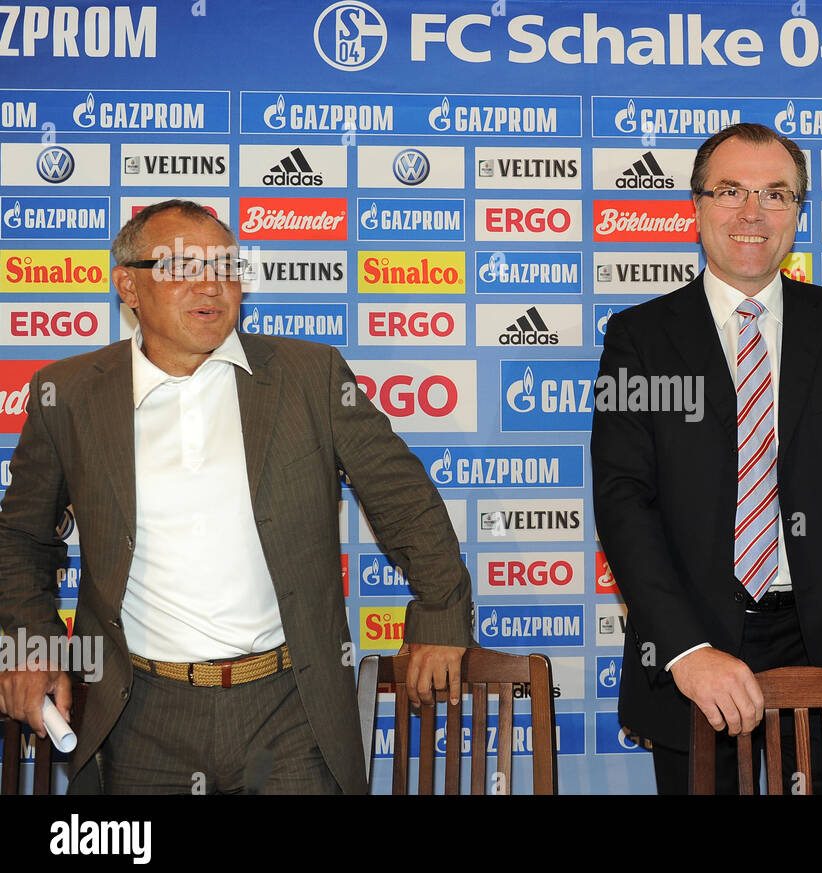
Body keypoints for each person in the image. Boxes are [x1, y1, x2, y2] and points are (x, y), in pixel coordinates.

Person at [0, 200, 471, 794]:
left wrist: (440, 614)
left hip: (290, 709)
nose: (211, 286)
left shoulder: (311, 376)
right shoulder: (66, 394)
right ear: (128, 286)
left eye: (226, 266)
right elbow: (21, 538)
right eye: (182, 267)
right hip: (138, 715)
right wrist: (28, 643)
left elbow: (404, 500)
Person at [591, 123, 822, 793]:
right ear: (695, 207)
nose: (752, 214)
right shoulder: (639, 337)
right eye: (731, 191)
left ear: (799, 212)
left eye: (776, 194)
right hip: (696, 654)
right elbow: (624, 498)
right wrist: (686, 652)